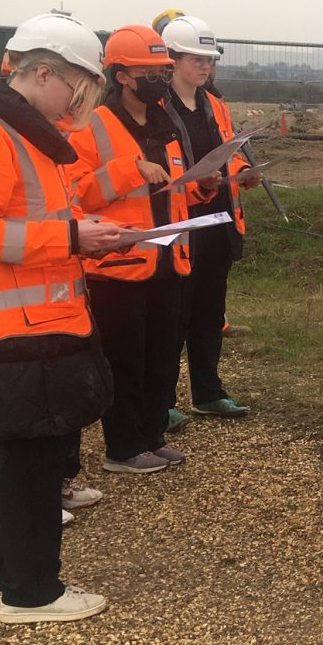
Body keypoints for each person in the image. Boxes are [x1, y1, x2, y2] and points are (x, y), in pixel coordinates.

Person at [0, 13, 126, 622]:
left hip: (42, 326)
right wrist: (71, 236)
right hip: (16, 332)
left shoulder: (28, 136)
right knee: (30, 467)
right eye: (76, 88)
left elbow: (38, 223)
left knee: (31, 464)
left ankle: (10, 580)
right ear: (43, 72)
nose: (78, 105)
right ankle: (32, 592)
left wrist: (85, 235)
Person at [68, 24, 216, 474]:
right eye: (148, 70)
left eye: (161, 69)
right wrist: (130, 170)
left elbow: (173, 188)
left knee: (162, 357)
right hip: (119, 264)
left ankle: (152, 433)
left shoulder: (166, 123)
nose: (157, 78)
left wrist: (202, 186)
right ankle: (123, 446)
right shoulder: (92, 125)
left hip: (169, 259)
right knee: (125, 361)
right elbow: (78, 194)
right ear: (122, 76)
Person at [159, 14, 258, 427]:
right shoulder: (157, 107)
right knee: (174, 314)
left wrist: (241, 172)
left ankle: (208, 391)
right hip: (181, 223)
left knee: (210, 310)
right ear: (173, 59)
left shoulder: (215, 104)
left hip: (217, 220)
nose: (205, 66)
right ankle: (161, 399)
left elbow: (227, 149)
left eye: (209, 59)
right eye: (196, 58)